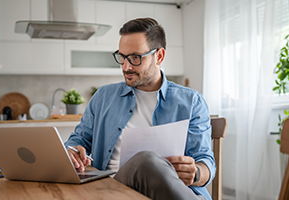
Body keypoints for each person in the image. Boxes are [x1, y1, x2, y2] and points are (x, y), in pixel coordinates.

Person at [64, 18, 215, 200]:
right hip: (115, 190)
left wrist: (196, 173)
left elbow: (206, 162)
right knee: (147, 161)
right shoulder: (103, 97)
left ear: (159, 56)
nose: (126, 66)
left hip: (169, 192)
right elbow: (78, 140)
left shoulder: (191, 101)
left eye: (135, 58)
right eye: (122, 57)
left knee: (149, 162)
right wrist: (71, 152)